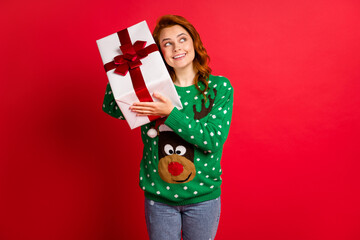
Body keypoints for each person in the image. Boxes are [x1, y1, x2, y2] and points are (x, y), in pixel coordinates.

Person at [102, 14, 233, 240]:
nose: (176, 48)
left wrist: (170, 113)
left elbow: (212, 140)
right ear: (159, 52)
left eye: (182, 39)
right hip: (159, 198)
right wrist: (127, 72)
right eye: (167, 43)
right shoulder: (151, 89)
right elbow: (111, 107)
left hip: (204, 198)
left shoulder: (219, 87)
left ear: (194, 43)